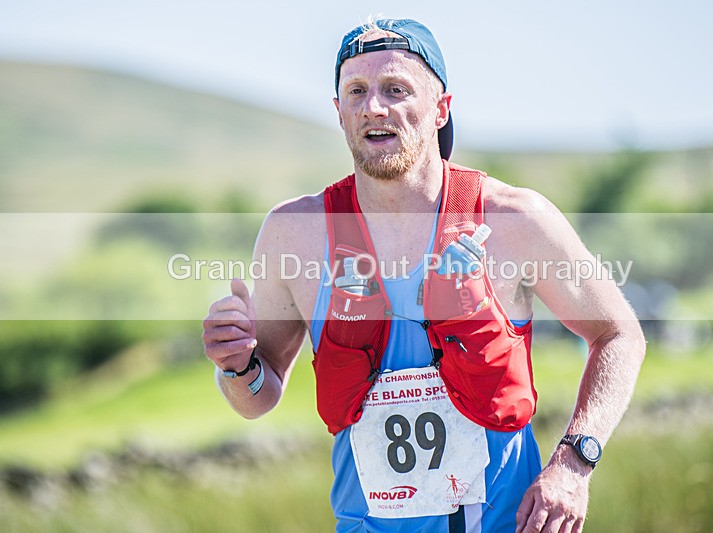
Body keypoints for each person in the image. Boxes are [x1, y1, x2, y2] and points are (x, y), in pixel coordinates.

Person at [203, 17, 645, 533]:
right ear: (339, 112)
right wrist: (235, 368)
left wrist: (574, 465)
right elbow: (259, 394)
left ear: (440, 109)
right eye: (357, 92)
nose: (374, 107)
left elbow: (620, 334)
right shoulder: (294, 233)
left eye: (396, 89)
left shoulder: (512, 219)